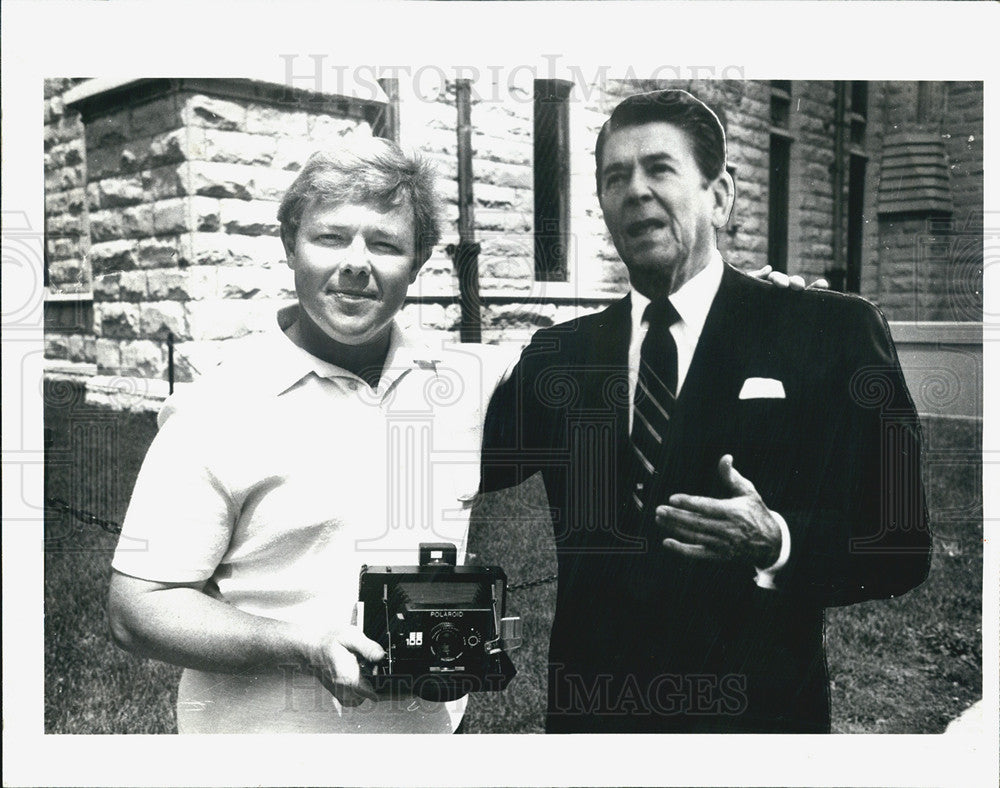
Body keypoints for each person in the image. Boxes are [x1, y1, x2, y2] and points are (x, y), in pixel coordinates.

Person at [479, 89, 932, 733]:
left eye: (659, 168)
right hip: (595, 722)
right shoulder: (562, 355)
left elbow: (904, 544)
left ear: (721, 195)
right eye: (614, 177)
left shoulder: (826, 331)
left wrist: (780, 542)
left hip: (754, 724)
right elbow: (467, 461)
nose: (634, 190)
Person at [108, 135, 491, 733]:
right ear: (291, 246)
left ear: (417, 264)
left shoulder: (462, 388)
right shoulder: (218, 405)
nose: (356, 264)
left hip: (426, 745)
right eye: (330, 237)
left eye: (386, 244)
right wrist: (304, 646)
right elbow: (139, 609)